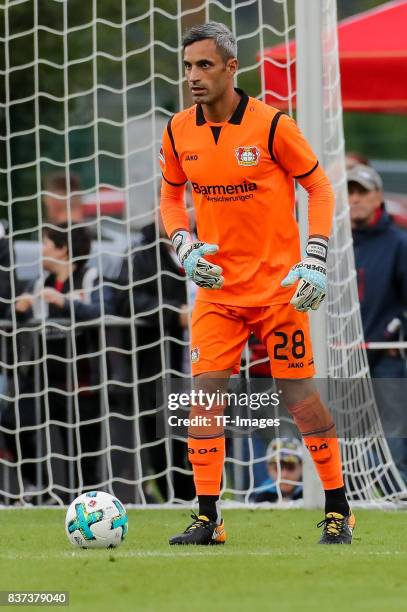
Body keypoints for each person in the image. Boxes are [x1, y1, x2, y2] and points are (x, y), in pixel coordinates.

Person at [159, 22, 354, 545]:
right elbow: (170, 198)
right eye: (187, 67)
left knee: (301, 399)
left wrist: (314, 257)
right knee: (203, 400)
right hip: (218, 293)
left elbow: (319, 187)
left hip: (277, 292)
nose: (193, 76)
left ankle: (338, 508)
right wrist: (183, 244)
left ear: (230, 67)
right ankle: (208, 517)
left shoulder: (272, 125)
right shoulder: (179, 130)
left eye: (204, 65)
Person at [2, 224, 109, 502]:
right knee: (13, 422)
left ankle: (90, 509)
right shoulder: (39, 283)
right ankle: (41, 486)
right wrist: (18, 311)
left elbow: (103, 310)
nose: (42, 251)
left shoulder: (91, 278)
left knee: (84, 457)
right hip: (42, 379)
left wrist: (65, 303)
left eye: (47, 244)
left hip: (82, 380)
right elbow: (13, 319)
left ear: (63, 250)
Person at [113, 212, 195, 502]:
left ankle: (210, 498)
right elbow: (127, 299)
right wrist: (175, 314)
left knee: (215, 432)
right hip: (160, 364)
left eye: (187, 207)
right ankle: (177, 499)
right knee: (162, 441)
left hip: (212, 359)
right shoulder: (140, 254)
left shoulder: (214, 246)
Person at [348, 164, 407, 484]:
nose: (355, 199)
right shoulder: (334, 244)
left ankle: (399, 505)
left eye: (362, 192)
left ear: (378, 197)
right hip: (342, 358)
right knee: (344, 444)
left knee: (394, 442)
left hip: (386, 358)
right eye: (350, 192)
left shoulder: (399, 243)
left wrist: (397, 330)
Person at [249, 438, 303, 503]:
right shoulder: (259, 496)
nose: (284, 475)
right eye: (277, 468)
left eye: (290, 467)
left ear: (302, 467)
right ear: (268, 469)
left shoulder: (312, 493)